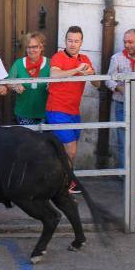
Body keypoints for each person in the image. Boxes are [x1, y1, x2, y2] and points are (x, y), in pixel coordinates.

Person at [47, 26, 101, 192]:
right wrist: (77, 70)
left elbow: (97, 84)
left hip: (74, 111)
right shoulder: (58, 56)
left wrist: (91, 73)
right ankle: (65, 182)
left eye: (76, 41)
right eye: (70, 40)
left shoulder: (85, 59)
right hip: (57, 109)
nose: (72, 44)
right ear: (65, 41)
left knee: (68, 151)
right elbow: (54, 75)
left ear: (81, 42)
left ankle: (64, 180)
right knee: (70, 149)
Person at [105, 29, 135, 163]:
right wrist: (121, 88)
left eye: (130, 42)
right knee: (124, 142)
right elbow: (108, 80)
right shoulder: (117, 58)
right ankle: (125, 174)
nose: (127, 45)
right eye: (125, 42)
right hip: (121, 104)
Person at [7, 32, 50, 125]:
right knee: (27, 135)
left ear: (41, 47)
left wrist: (51, 85)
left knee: (43, 135)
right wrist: (15, 85)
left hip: (45, 112)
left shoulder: (49, 63)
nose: (31, 50)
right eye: (28, 47)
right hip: (24, 112)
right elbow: (9, 82)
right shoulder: (18, 64)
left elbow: (57, 81)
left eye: (35, 47)